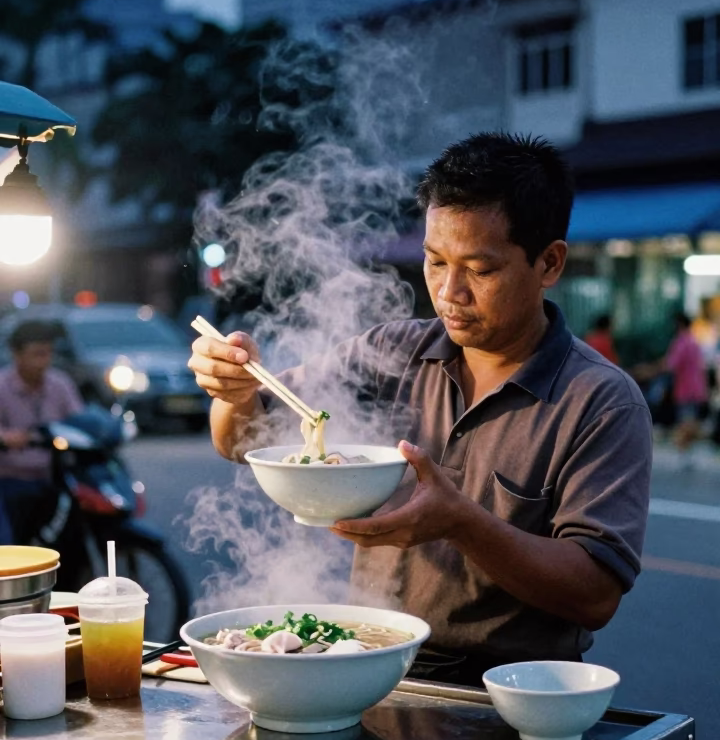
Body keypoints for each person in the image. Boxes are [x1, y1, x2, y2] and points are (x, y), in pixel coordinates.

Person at [189, 133, 653, 684]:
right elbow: (242, 441)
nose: (449, 292)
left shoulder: (600, 400)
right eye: (435, 262)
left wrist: (461, 523)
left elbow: (596, 593)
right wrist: (234, 393)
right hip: (372, 668)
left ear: (549, 263)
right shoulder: (392, 352)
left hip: (515, 691)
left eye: (480, 270)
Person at [0, 319, 83, 544]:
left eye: (48, 353)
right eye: (37, 354)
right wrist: (9, 438)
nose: (43, 361)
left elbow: (79, 421)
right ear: (16, 355)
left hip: (53, 478)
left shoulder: (60, 384)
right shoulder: (2, 386)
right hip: (9, 480)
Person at [663, 311, 708, 458]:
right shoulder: (694, 341)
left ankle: (684, 452)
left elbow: (671, 365)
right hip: (696, 388)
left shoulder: (681, 342)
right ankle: (687, 451)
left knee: (685, 421)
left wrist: (648, 370)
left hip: (685, 389)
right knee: (690, 420)